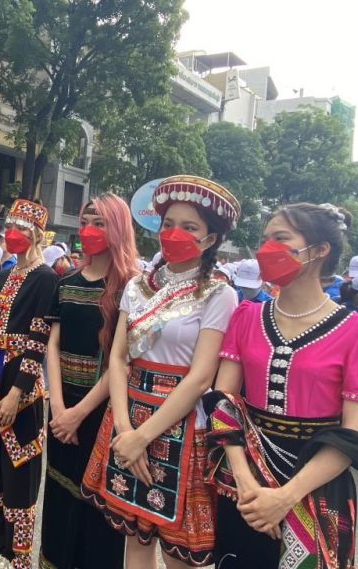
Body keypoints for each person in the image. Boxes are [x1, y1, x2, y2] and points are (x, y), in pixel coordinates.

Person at [205, 202, 358, 569]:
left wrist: (285, 496)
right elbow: (223, 402)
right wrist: (244, 481)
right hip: (245, 478)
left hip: (315, 483)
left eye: (281, 239)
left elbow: (356, 433)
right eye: (264, 239)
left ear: (320, 250)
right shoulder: (247, 316)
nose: (266, 249)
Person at [82, 175, 240, 569]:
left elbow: (202, 377)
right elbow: (118, 358)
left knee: (176, 554)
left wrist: (143, 437)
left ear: (211, 238)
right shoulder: (138, 286)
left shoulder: (219, 293)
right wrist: (124, 430)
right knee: (135, 539)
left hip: (181, 424)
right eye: (168, 224)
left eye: (189, 228)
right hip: (128, 412)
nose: (174, 234)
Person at [39, 194, 137, 569]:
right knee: (59, 499)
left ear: (118, 228)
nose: (89, 231)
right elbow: (53, 343)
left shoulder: (131, 285)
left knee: (98, 508)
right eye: (85, 222)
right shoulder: (66, 280)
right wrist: (60, 407)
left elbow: (122, 359)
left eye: (99, 222)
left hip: (103, 411)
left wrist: (78, 413)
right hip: (61, 407)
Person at [0, 199, 59, 569]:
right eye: (12, 225)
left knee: (19, 472)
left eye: (23, 228)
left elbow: (37, 343)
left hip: (22, 382)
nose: (14, 233)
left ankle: (16, 557)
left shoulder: (46, 278)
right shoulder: (6, 273)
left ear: (38, 235)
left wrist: (16, 392)